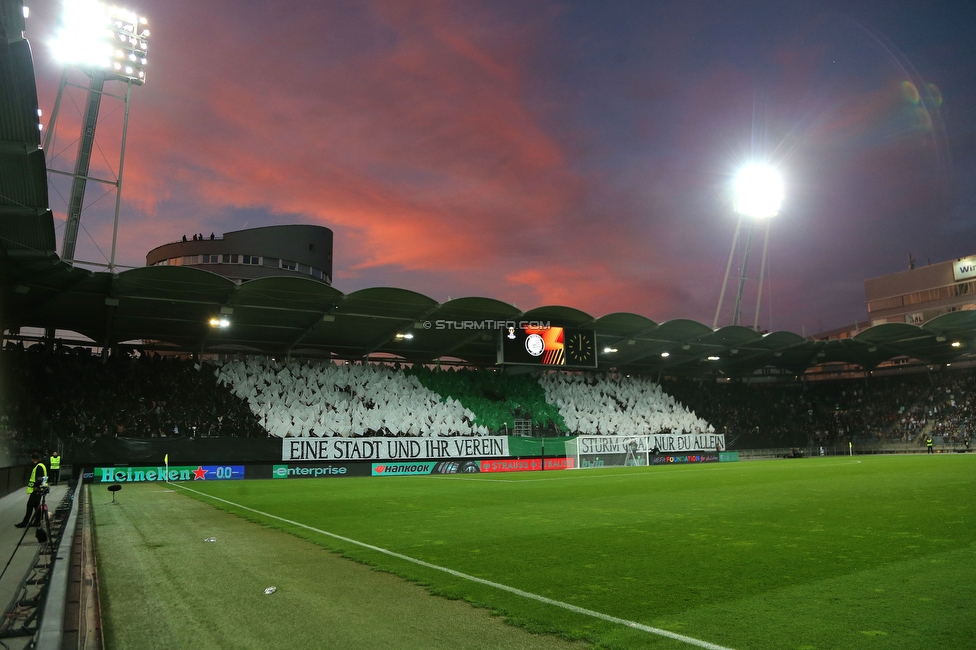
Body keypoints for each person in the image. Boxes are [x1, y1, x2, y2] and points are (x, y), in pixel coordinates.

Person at [16, 453, 47, 528]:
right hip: (41, 489)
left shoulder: (38, 467)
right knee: (37, 506)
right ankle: (37, 521)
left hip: (37, 490)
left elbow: (39, 478)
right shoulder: (42, 465)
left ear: (33, 459)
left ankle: (25, 522)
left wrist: (37, 487)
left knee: (30, 505)